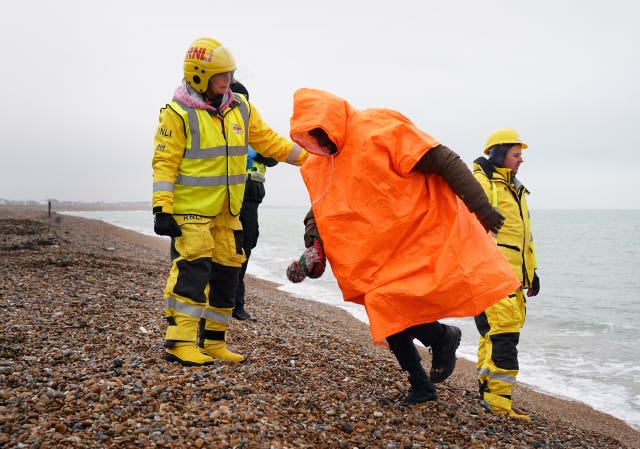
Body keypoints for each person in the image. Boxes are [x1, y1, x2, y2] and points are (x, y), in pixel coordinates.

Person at [285, 88, 521, 406]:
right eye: (313, 139)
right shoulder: (321, 162)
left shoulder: (380, 129)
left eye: (322, 135)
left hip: (420, 234)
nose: (322, 144)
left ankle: (438, 349)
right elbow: (321, 207)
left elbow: (443, 159)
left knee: (389, 304)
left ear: (331, 122)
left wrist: (481, 208)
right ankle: (429, 369)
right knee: (382, 304)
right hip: (376, 253)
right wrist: (313, 248)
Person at [151, 37, 307, 366]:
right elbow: (164, 164)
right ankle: (179, 342)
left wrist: (310, 159)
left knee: (227, 275)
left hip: (227, 212)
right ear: (198, 76)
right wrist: (162, 209)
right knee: (192, 272)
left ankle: (213, 342)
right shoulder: (176, 115)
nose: (228, 81)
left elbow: (271, 142)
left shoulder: (240, 107)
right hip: (190, 212)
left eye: (230, 74)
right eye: (221, 75)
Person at [472, 128, 540, 421]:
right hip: (491, 274)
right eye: (516, 154)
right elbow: (473, 225)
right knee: (504, 336)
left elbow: (523, 237)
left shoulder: (515, 188)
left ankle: (488, 395)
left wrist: (532, 273)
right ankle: (500, 404)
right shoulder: (483, 182)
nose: (521, 159)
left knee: (493, 335)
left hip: (513, 277)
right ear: (500, 154)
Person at [229, 81, 278, 322]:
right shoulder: (218, 124)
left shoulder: (254, 127)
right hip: (225, 195)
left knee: (246, 245)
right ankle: (227, 304)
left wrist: (256, 149)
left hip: (251, 198)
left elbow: (274, 157)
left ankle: (236, 305)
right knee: (227, 248)